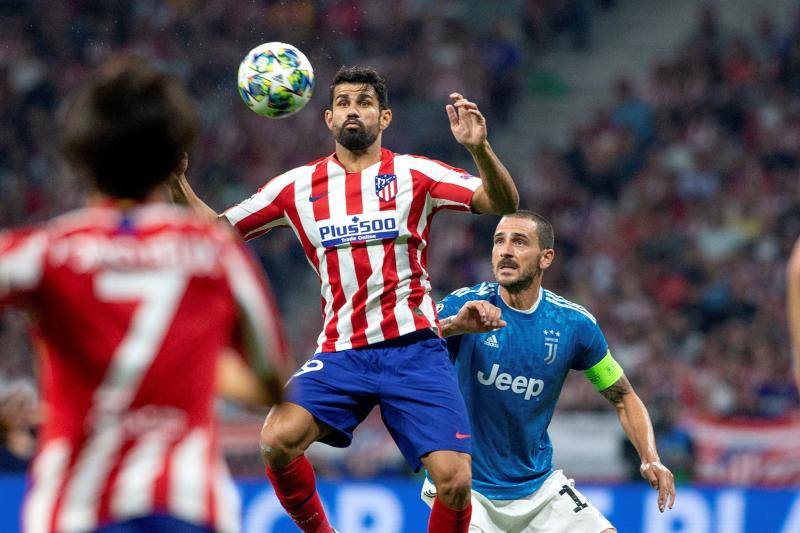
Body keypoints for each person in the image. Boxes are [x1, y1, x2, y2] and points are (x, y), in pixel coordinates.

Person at [170, 65, 520, 533]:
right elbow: (216, 234)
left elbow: (502, 202)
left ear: (385, 117)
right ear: (329, 120)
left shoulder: (415, 173)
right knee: (276, 441)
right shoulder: (294, 187)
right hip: (342, 353)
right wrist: (176, 182)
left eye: (365, 102)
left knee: (455, 481)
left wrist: (479, 148)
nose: (354, 110)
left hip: (414, 349)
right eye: (344, 103)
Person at [0, 56, 287, 533]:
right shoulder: (215, 253)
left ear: (80, 157)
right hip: (189, 507)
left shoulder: (45, 252)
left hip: (76, 510)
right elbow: (270, 383)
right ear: (177, 156)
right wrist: (181, 363)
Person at [421, 210, 675, 532]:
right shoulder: (467, 306)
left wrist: (650, 456)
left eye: (519, 242)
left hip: (538, 488)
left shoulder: (573, 325)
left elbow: (623, 396)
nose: (506, 251)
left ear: (546, 257)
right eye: (499, 241)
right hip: (467, 486)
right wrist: (455, 327)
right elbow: (407, 344)